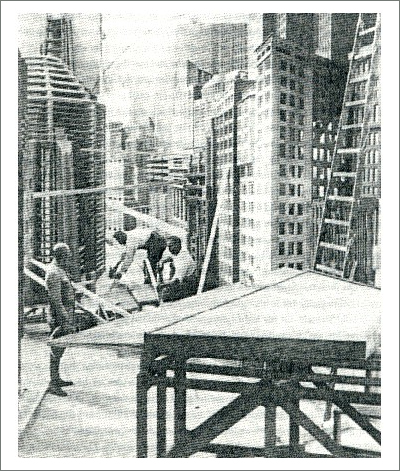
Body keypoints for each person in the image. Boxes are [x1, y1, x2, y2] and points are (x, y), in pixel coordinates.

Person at [45, 243, 76, 397]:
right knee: (56, 348)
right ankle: (53, 383)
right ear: (61, 255)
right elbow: (56, 300)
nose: (69, 257)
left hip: (65, 314)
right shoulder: (53, 273)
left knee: (60, 348)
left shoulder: (60, 269)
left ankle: (56, 378)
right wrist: (65, 318)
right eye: (67, 254)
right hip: (59, 316)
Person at [158, 236, 197, 302]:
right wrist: (162, 261)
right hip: (183, 282)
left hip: (187, 286)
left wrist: (162, 285)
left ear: (177, 244)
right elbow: (171, 257)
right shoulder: (179, 253)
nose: (169, 249)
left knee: (163, 298)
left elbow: (177, 280)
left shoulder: (182, 260)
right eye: (168, 247)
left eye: (171, 246)